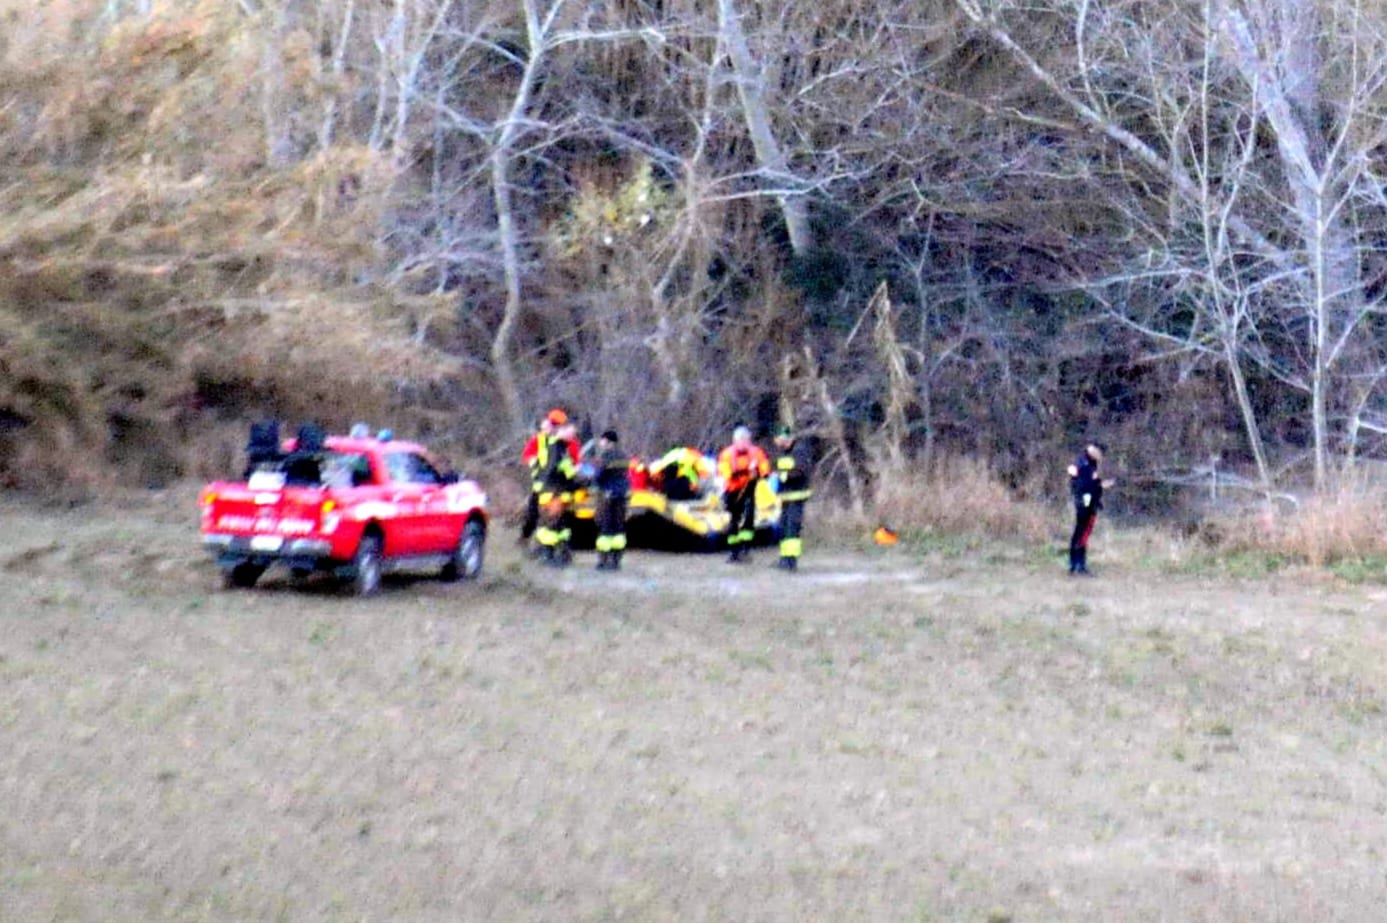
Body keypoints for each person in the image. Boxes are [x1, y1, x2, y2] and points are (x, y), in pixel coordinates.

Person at [520, 409, 579, 550]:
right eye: (551, 424)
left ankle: (550, 548)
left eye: (556, 425)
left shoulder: (569, 442)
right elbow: (526, 456)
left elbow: (575, 462)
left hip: (558, 485)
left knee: (554, 518)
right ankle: (528, 538)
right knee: (533, 514)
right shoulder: (539, 439)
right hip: (540, 484)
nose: (551, 427)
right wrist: (536, 464)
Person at [717, 425, 771, 563]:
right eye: (740, 439)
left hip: (749, 490)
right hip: (732, 491)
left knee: (749, 518)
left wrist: (760, 473)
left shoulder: (756, 452)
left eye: (745, 439)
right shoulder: (727, 454)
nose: (743, 442)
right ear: (735, 440)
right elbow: (724, 470)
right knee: (734, 519)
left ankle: (746, 549)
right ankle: (734, 552)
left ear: (749, 440)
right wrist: (739, 473)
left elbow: (764, 467)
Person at [535, 420, 581, 567]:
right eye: (571, 433)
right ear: (562, 430)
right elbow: (556, 468)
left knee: (557, 526)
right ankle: (549, 557)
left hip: (554, 490)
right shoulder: (556, 447)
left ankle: (558, 555)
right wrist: (574, 471)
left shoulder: (559, 447)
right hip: (554, 491)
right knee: (552, 525)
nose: (573, 436)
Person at [1067, 442, 1114, 576]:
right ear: (1093, 450)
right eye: (1100, 453)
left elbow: (1089, 482)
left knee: (1082, 533)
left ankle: (1076, 565)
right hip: (1085, 502)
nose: (1101, 457)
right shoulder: (1083, 464)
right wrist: (1100, 486)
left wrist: (1098, 486)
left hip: (1087, 501)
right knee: (1082, 533)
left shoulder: (1089, 463)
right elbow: (1083, 485)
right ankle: (1078, 565)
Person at [587, 430, 631, 571]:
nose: (601, 443)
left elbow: (599, 475)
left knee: (605, 527)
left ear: (607, 441)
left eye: (602, 440)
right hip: (622, 495)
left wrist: (590, 479)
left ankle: (603, 560)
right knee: (618, 528)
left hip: (607, 495)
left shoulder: (606, 456)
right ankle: (616, 560)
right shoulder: (623, 455)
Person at [771, 425, 813, 571]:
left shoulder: (800, 451)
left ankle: (791, 561)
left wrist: (782, 476)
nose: (776, 442)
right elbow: (776, 466)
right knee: (784, 527)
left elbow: (801, 471)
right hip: (785, 496)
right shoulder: (783, 453)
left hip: (796, 495)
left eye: (778, 439)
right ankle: (784, 558)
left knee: (792, 529)